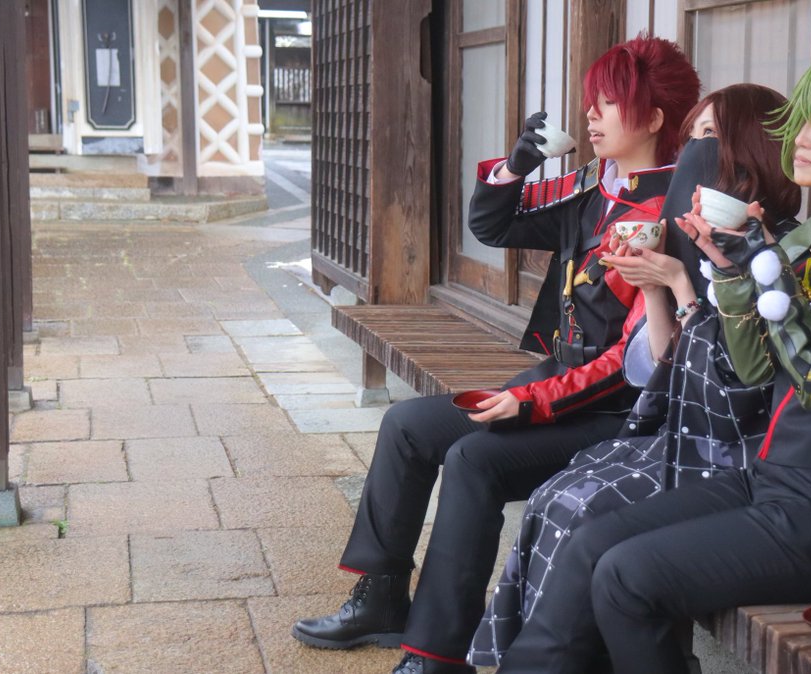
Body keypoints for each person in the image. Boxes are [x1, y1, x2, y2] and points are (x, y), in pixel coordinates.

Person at [495, 47, 811, 674]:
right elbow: (757, 368)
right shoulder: (810, 236)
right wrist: (733, 272)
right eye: (802, 120)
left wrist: (763, 270)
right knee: (593, 542)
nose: (801, 137)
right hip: (781, 477)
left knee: (629, 578)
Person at [291, 35, 701, 674]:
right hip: (559, 383)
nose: (590, 114)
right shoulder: (594, 188)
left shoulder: (669, 213)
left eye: (609, 101)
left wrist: (527, 401)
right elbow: (493, 225)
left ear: (652, 118)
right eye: (591, 100)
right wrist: (516, 166)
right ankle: (381, 598)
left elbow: (633, 364)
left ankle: (435, 651)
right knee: (406, 425)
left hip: (618, 414)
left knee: (473, 460)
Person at [466, 83, 801, 668]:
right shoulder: (618, 199)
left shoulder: (778, 248)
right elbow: (664, 366)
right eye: (694, 135)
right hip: (673, 421)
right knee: (553, 496)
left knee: (586, 513)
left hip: (730, 449)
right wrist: (657, 287)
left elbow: (741, 383)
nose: (590, 115)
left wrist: (683, 283)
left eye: (711, 136)